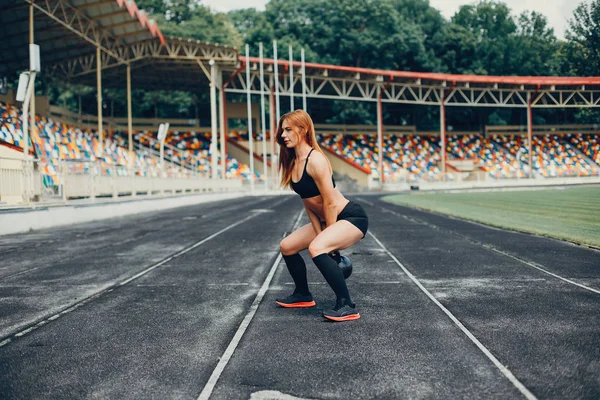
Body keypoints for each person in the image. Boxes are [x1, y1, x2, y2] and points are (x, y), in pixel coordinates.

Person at [275, 110, 369, 322]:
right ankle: (302, 295)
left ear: (303, 129)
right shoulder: (293, 162)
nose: (283, 134)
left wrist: (329, 242)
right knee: (287, 246)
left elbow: (330, 202)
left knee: (317, 248)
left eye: (288, 129)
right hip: (327, 218)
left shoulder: (315, 160)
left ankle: (347, 305)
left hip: (350, 217)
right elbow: (308, 203)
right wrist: (321, 232)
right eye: (282, 130)